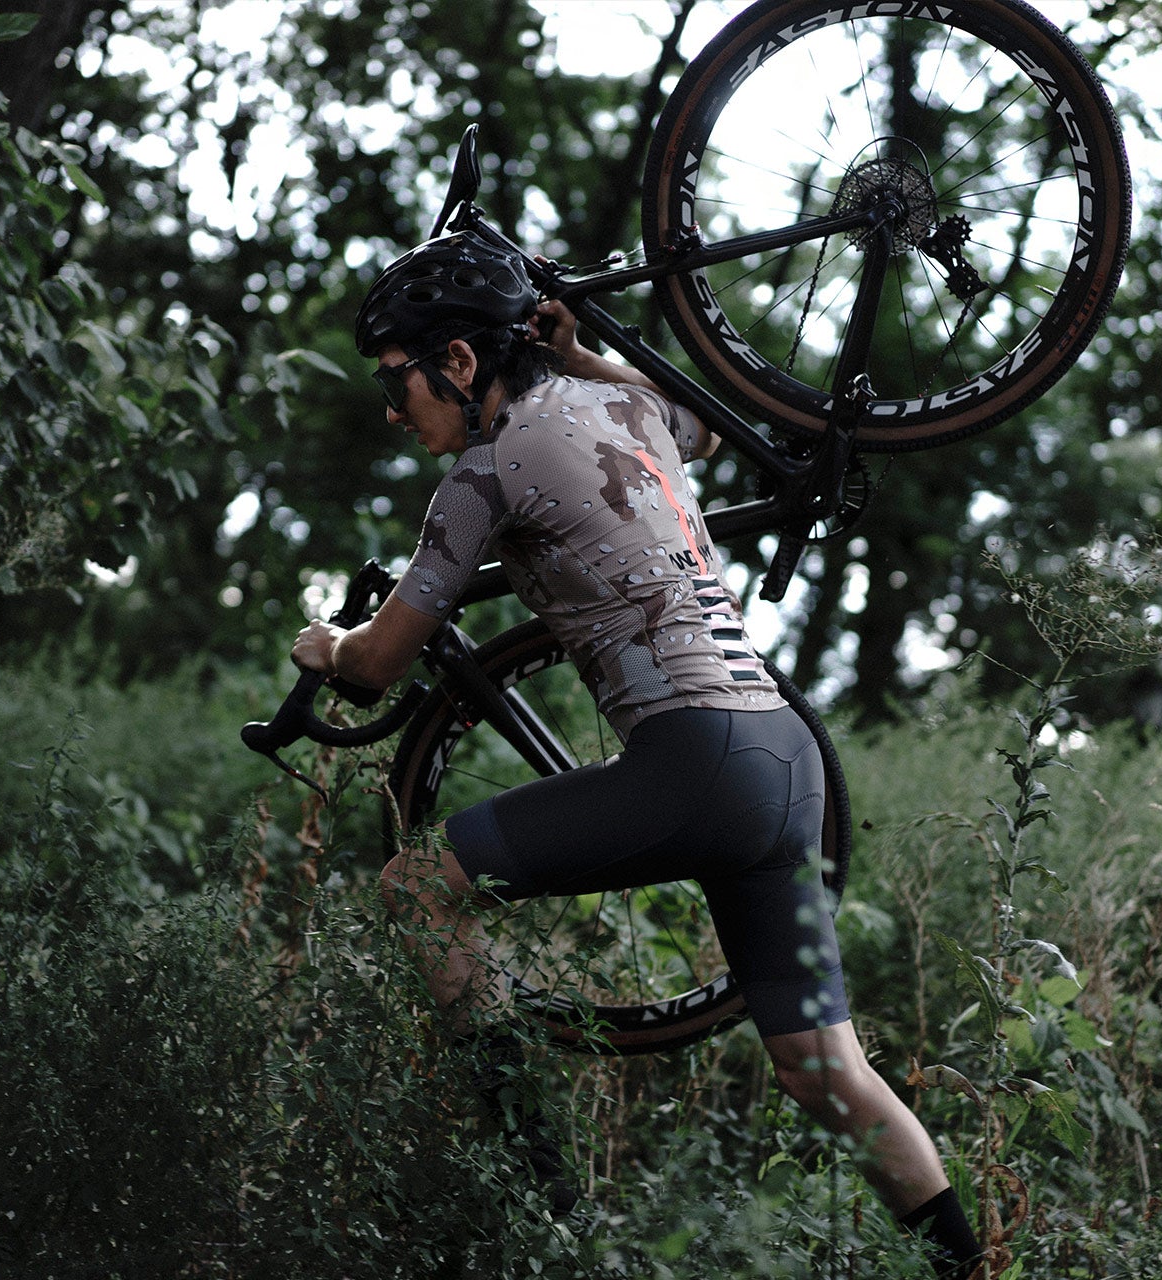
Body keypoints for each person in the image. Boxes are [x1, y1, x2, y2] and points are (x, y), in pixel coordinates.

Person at [291, 233, 984, 1278]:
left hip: (693, 763)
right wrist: (582, 357)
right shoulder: (627, 409)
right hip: (782, 756)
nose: (395, 411)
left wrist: (328, 644)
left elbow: (379, 664)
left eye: (399, 381)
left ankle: (548, 1210)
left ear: (462, 362)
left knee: (410, 893)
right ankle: (968, 1264)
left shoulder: (479, 477)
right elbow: (696, 421)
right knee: (826, 1067)